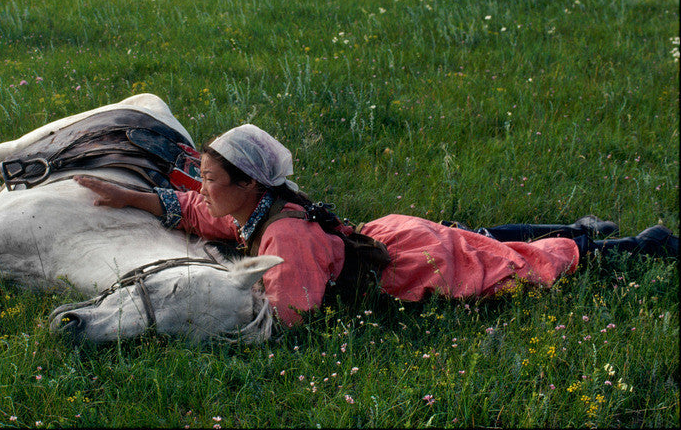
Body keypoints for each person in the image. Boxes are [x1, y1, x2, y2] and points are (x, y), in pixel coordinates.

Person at [74, 124, 679, 327]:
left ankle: (634, 246)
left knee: (515, 264)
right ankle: (581, 228)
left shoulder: (282, 238)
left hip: (405, 267)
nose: (201, 185)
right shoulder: (260, 211)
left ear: (250, 184)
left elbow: (290, 318)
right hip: (389, 235)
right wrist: (130, 197)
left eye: (209, 176)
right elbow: (202, 215)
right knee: (483, 239)